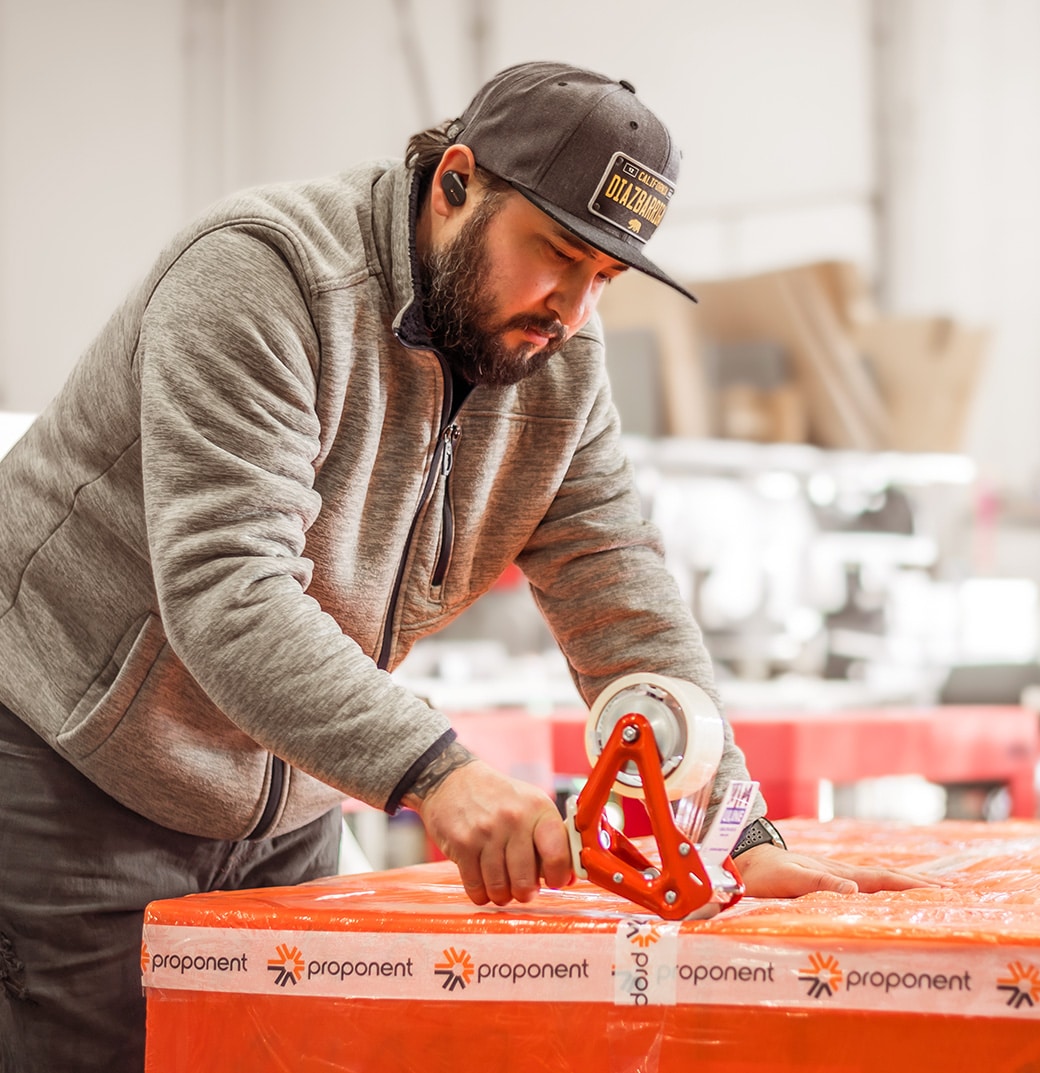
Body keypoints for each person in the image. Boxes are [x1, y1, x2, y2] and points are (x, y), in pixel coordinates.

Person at [0, 60, 930, 1072]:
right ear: (455, 183)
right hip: (71, 768)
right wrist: (436, 772)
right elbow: (229, 588)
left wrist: (740, 831)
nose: (571, 308)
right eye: (557, 254)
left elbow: (624, 601)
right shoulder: (260, 278)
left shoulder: (560, 361)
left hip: (290, 806)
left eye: (604, 278)